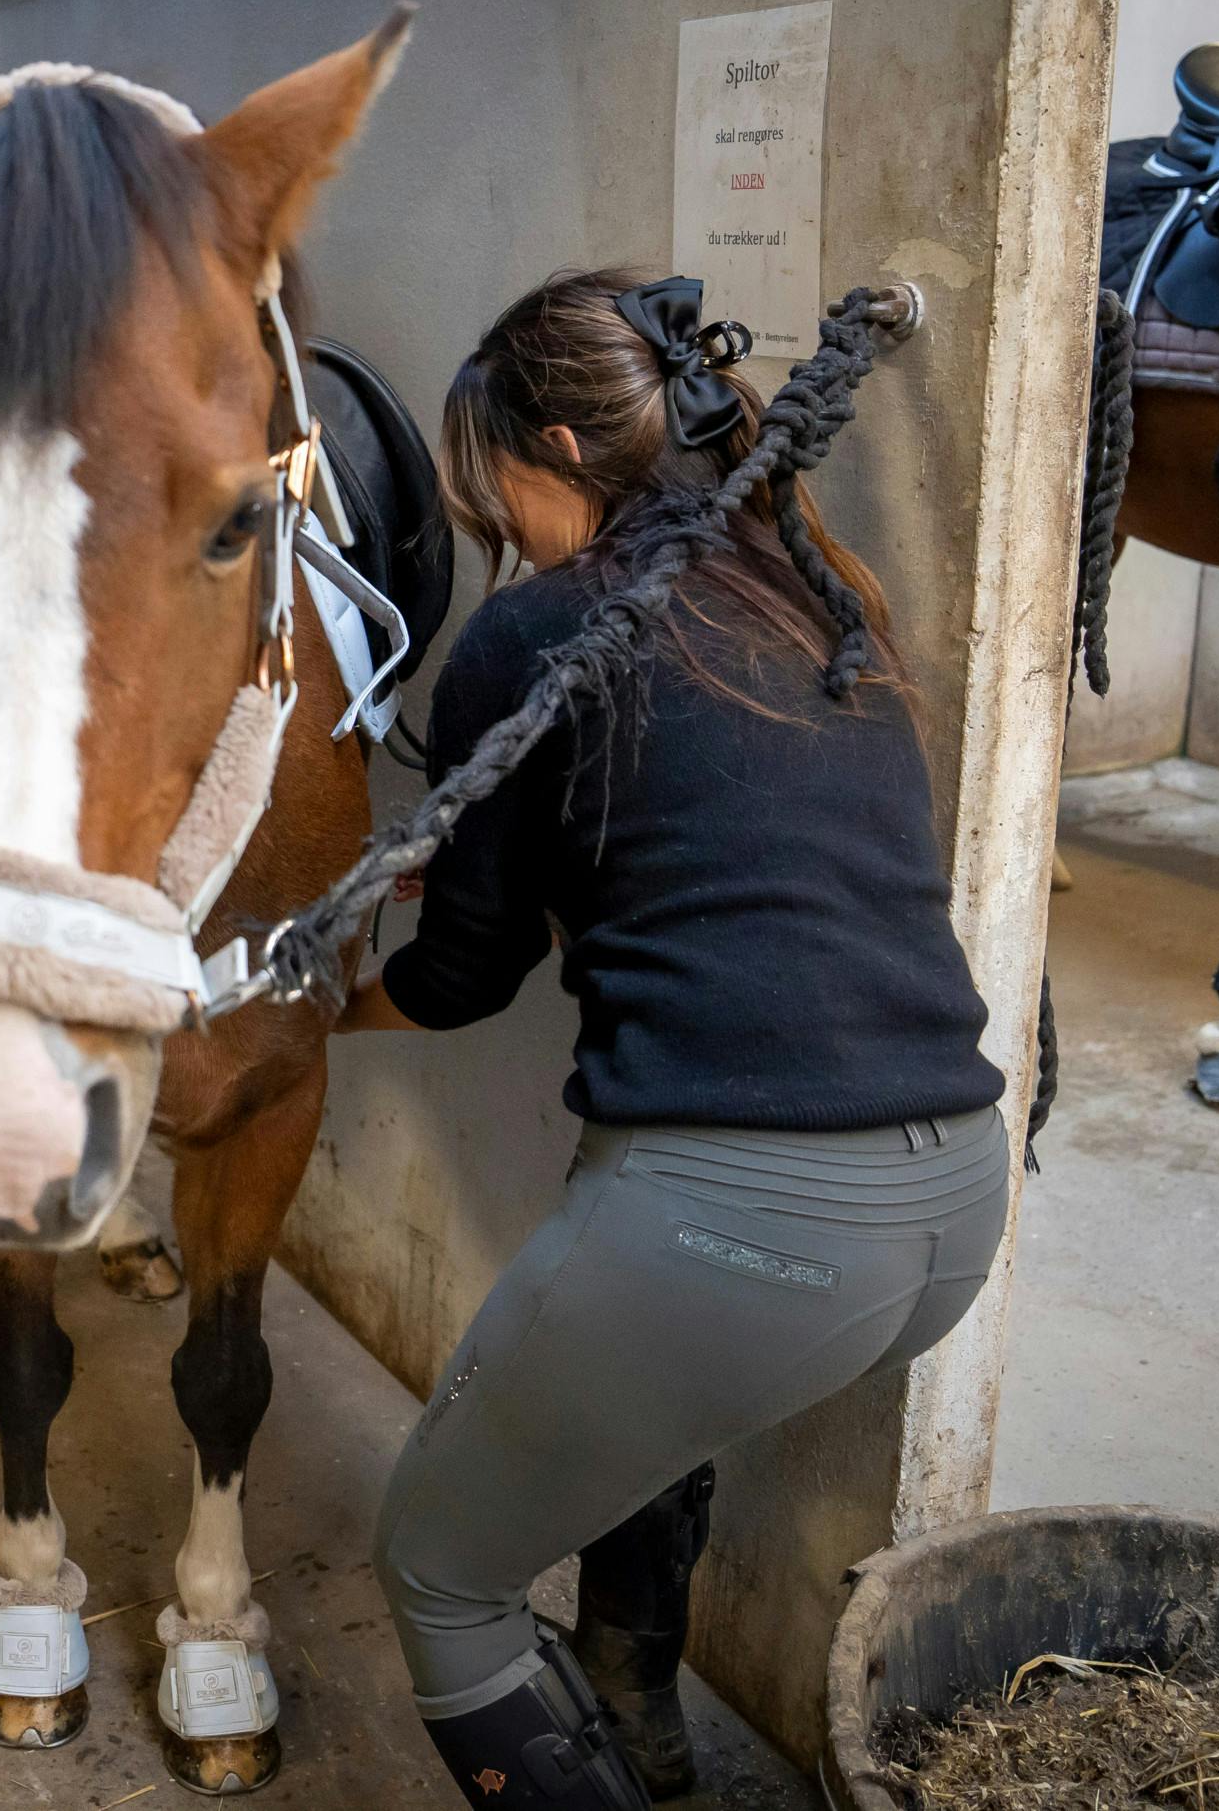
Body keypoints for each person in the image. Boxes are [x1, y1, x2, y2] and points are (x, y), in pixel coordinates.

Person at [342, 274, 1011, 1810]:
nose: (493, 528)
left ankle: (611, 1705)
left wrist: (326, 1007)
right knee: (631, 1405)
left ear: (561, 445)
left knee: (440, 1569)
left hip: (761, 1226)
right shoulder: (813, 597)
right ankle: (637, 1692)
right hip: (954, 1205)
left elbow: (458, 979)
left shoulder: (536, 638)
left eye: (493, 488)